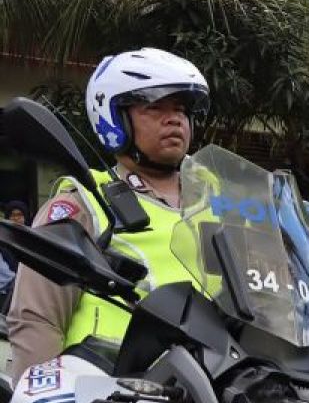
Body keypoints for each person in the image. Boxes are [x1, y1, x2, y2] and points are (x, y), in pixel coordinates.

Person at [7, 47, 210, 380]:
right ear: (114, 117)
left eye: (181, 109)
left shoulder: (219, 200)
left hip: (214, 393)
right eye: (155, 106)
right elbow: (37, 318)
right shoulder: (85, 202)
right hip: (109, 396)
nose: (174, 118)